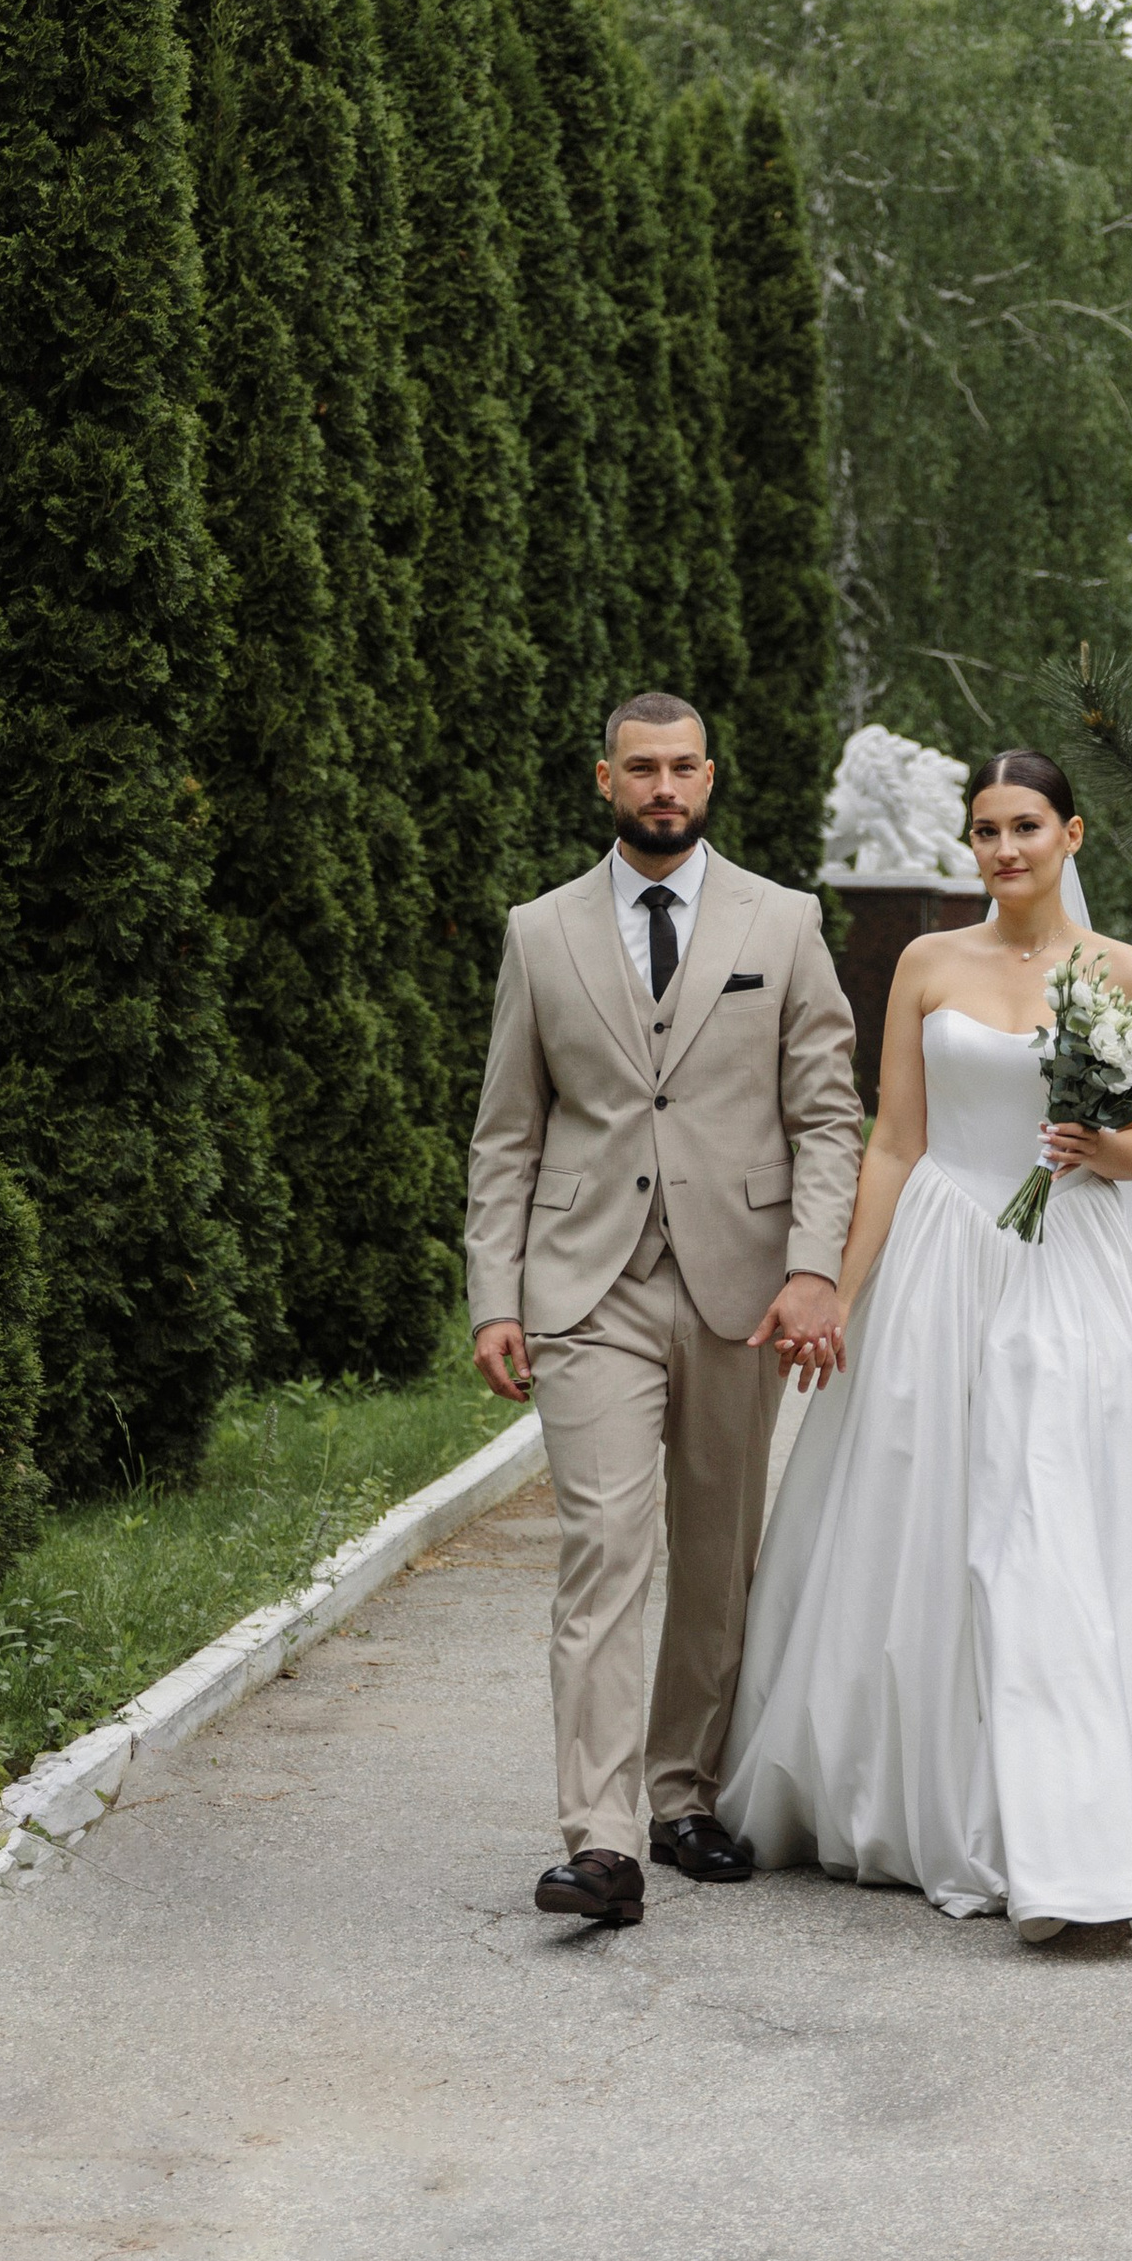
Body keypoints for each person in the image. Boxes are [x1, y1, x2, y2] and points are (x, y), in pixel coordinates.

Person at [719, 746, 1132, 1940]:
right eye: (984, 831)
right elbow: (895, 1142)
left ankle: (1073, 1845)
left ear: (1073, 835)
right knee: (930, 1513)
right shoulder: (924, 962)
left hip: (1074, 1264)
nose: (1002, 850)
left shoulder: (1125, 973)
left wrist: (1092, 1143)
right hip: (944, 1259)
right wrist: (837, 1292)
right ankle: (940, 1801)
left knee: (1050, 1518)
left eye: (1024, 826)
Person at [466, 691, 864, 1930]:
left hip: (740, 1285)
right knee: (603, 1549)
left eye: (682, 767)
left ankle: (682, 1791)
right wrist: (495, 1292)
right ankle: (601, 1840)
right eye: (640, 768)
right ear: (603, 778)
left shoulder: (783, 920)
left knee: (715, 1554)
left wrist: (814, 1269)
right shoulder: (541, 933)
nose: (663, 788)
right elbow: (505, 1133)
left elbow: (827, 1117)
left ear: (710, 775)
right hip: (587, 1284)